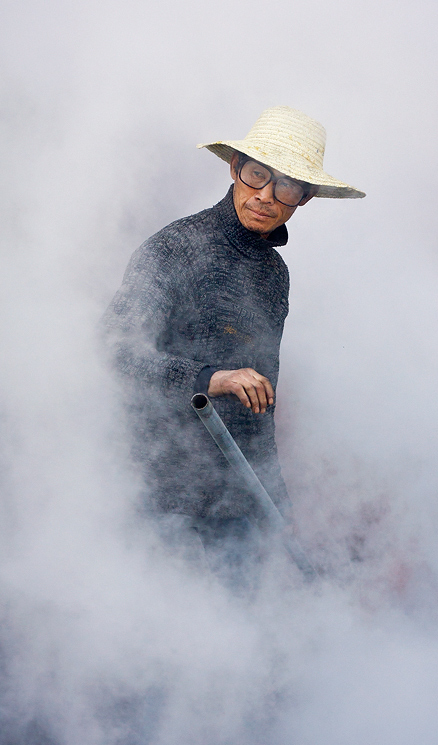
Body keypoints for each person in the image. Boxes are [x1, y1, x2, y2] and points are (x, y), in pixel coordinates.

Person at [103, 105, 365, 554]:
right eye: (257, 175)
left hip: (240, 507)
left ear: (304, 197)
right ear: (234, 168)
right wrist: (212, 379)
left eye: (286, 185)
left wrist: (275, 504)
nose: (265, 195)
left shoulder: (274, 274)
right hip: (166, 503)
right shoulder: (175, 246)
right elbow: (114, 349)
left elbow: (260, 402)